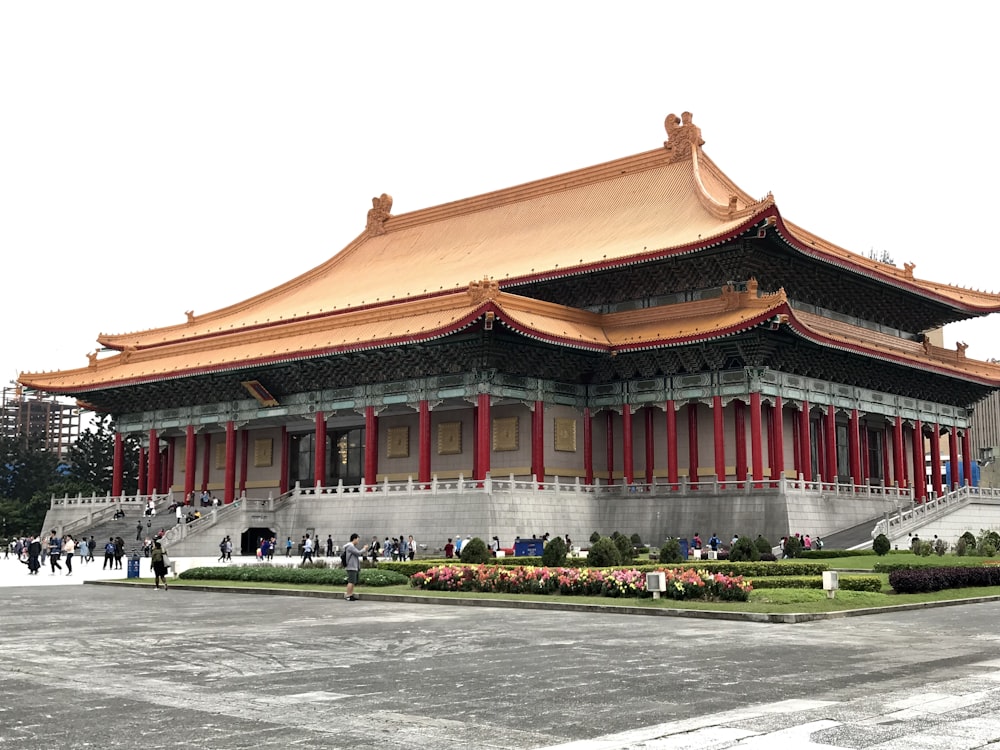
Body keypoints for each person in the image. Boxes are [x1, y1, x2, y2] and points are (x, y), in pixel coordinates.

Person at [343, 533, 364, 601]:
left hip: (354, 566)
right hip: (351, 566)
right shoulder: (350, 546)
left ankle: (351, 594)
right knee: (351, 581)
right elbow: (358, 553)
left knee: (353, 582)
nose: (358, 541)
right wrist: (364, 549)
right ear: (354, 539)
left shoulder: (351, 546)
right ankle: (348, 595)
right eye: (357, 540)